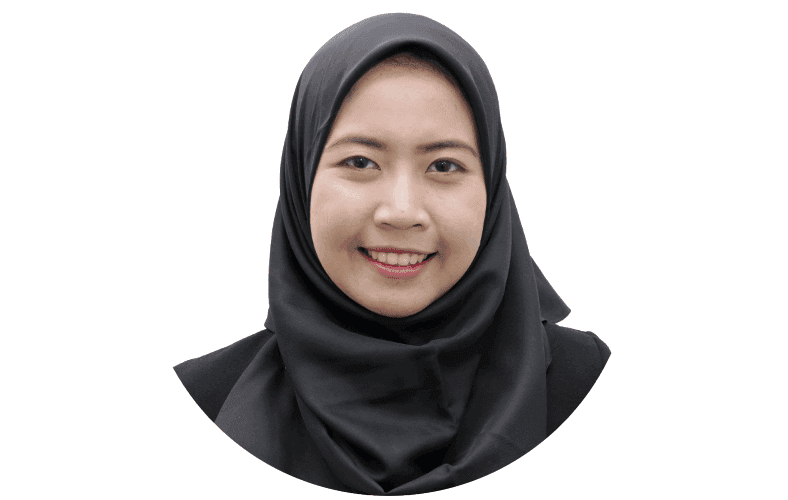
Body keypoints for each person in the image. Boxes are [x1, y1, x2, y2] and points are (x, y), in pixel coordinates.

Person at [174, 13, 610, 495]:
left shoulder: (587, 384)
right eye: (360, 161)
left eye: (444, 165)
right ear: (301, 178)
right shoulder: (198, 402)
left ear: (491, 188)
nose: (401, 212)